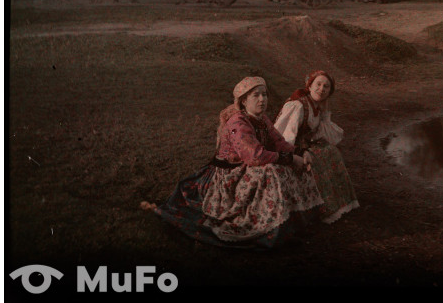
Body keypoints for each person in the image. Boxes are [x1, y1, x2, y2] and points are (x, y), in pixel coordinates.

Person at [142, 76, 322, 248]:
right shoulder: (237, 122)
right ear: (244, 101)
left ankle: (295, 221)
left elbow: (279, 143)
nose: (262, 99)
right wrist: (289, 159)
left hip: (248, 167)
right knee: (274, 172)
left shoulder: (262, 118)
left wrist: (300, 152)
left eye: (264, 94)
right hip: (229, 174)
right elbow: (255, 156)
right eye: (256, 95)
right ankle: (270, 227)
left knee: (292, 167)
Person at [273, 70, 359, 224]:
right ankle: (321, 207)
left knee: (330, 151)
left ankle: (338, 203)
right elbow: (285, 137)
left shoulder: (317, 106)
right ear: (309, 86)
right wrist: (297, 154)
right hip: (287, 148)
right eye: (318, 84)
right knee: (318, 159)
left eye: (326, 87)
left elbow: (318, 133)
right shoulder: (298, 106)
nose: (321, 89)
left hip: (302, 146)